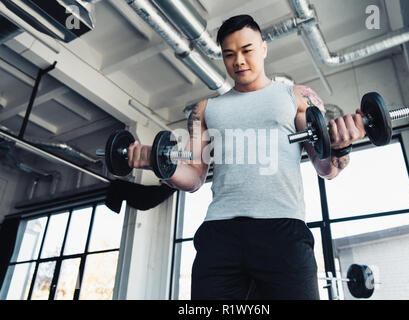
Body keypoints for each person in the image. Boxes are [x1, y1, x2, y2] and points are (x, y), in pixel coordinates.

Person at [127, 14, 366, 300]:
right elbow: (193, 178)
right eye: (229, 55)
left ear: (264, 48)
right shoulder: (204, 109)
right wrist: (158, 163)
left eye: (246, 50)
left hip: (282, 231)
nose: (238, 61)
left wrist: (341, 147)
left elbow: (326, 168)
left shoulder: (297, 96)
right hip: (220, 233)